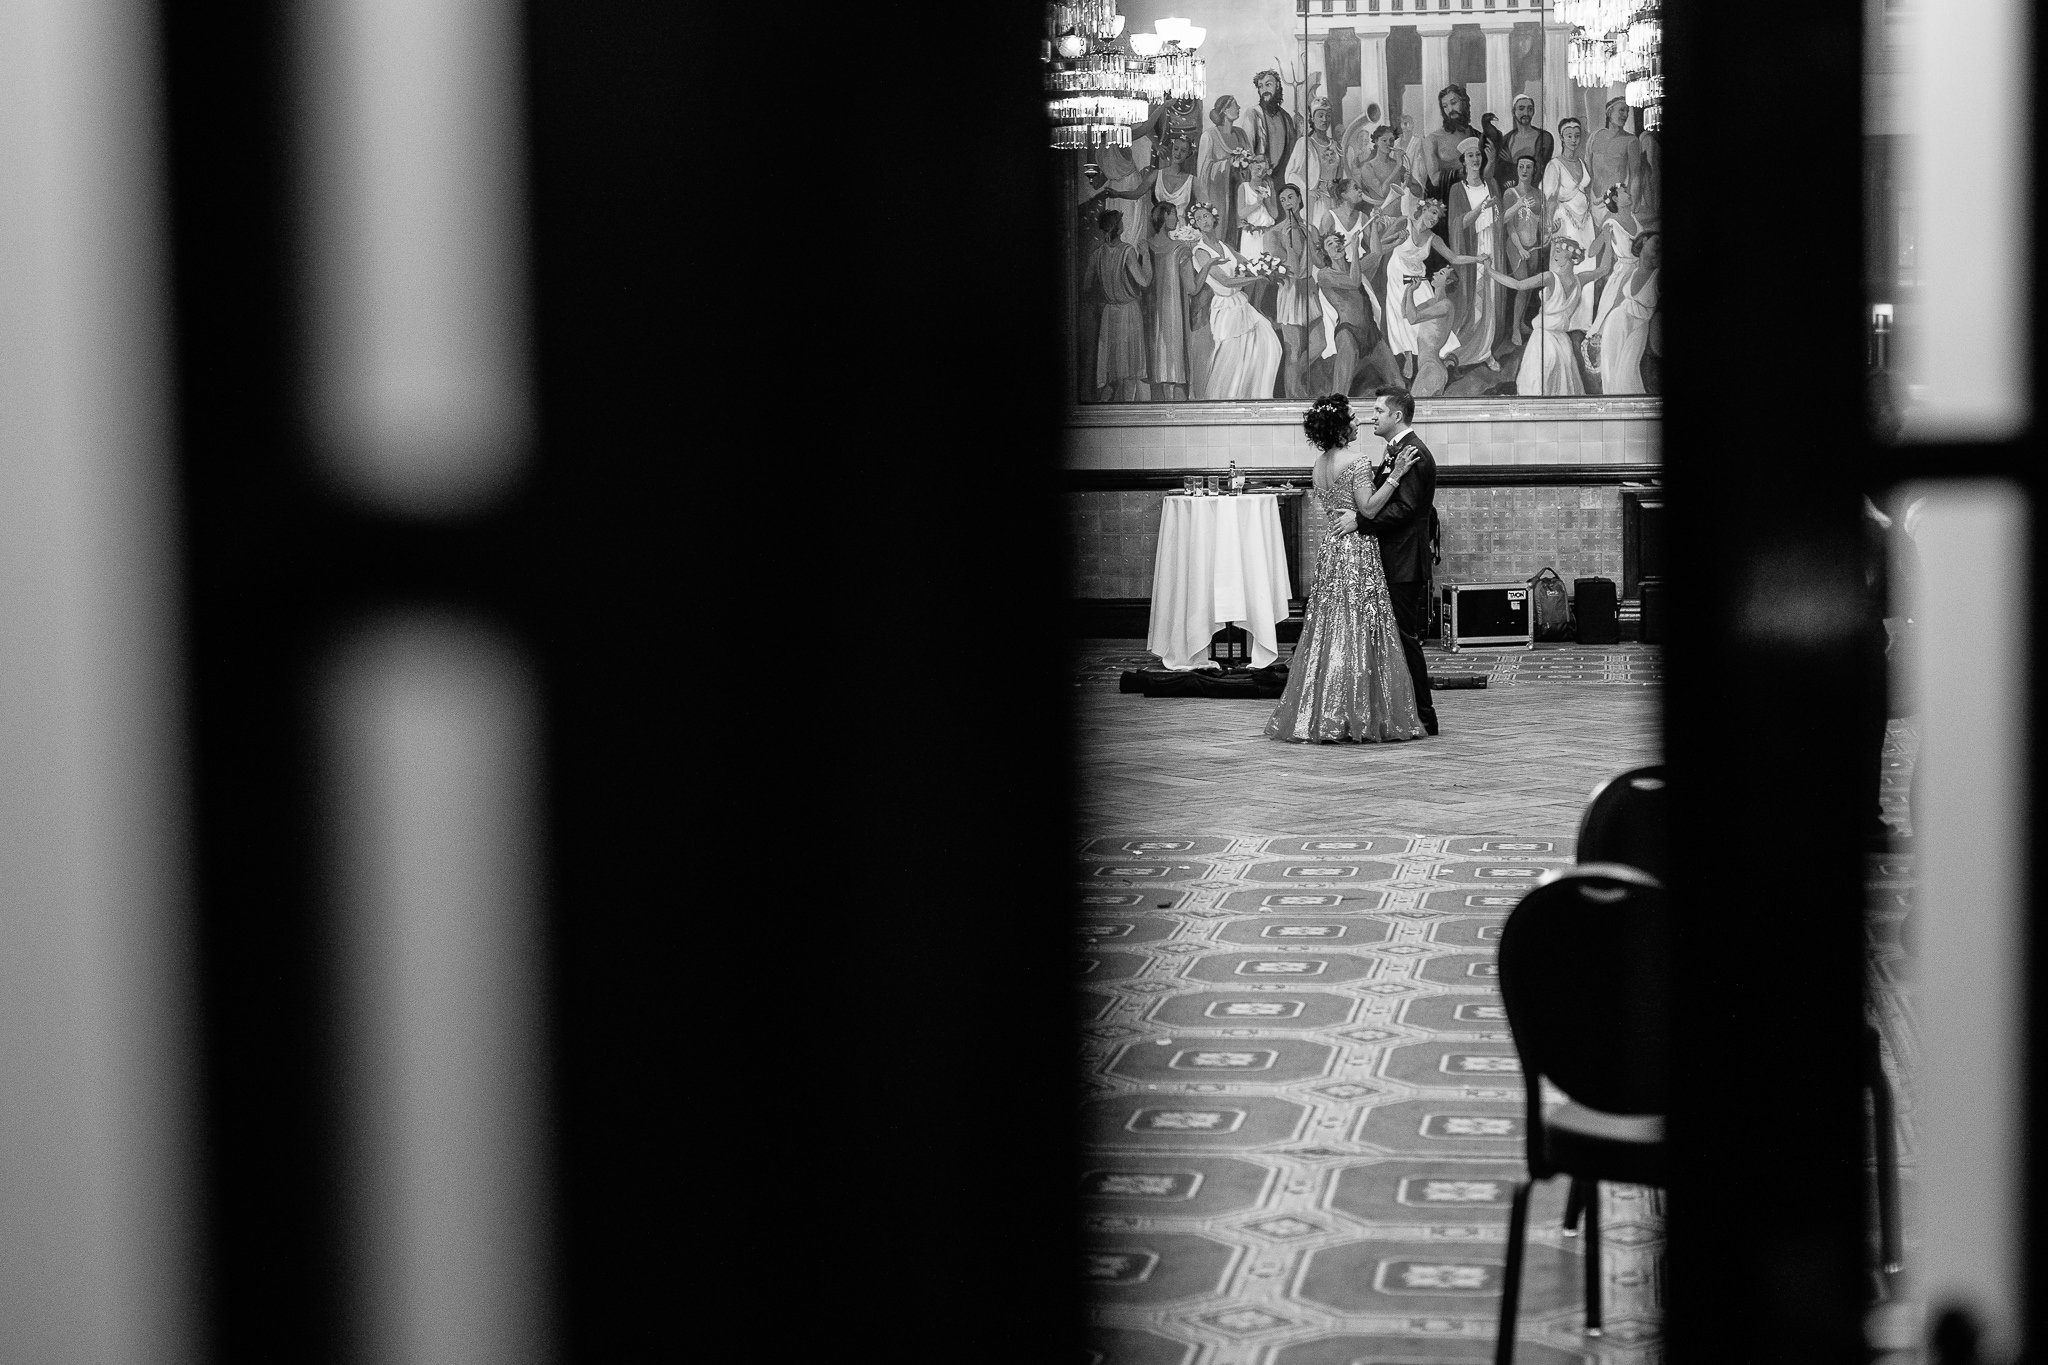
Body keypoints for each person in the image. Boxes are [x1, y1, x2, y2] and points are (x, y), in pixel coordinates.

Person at [1265, 393, 1428, 744]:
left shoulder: (1319, 465)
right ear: (1340, 426)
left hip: (1331, 551)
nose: (1359, 423)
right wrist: (1397, 474)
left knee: (1328, 629)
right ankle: (1356, 711)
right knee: (1359, 629)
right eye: (1353, 418)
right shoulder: (1355, 461)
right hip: (1356, 552)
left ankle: (1323, 710)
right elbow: (1368, 509)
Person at [1328, 387, 1440, 736]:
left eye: (1378, 411)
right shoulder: (1396, 451)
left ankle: (1425, 715)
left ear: (1397, 416)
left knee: (1406, 638)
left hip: (1403, 561)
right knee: (1391, 639)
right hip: (1389, 558)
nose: (1371, 416)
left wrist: (1360, 522)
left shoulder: (1415, 453)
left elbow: (1404, 510)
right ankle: (1397, 711)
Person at [1489, 237, 1615, 395]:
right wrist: (1608, 239)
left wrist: (1489, 270)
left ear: (1567, 255)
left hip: (1543, 340)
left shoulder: (1550, 277)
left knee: (1536, 387)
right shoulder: (1580, 280)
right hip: (1563, 342)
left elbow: (1518, 285)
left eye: (1557, 251)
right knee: (1562, 388)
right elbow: (1604, 268)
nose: (1554, 255)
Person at [1189, 201, 1281, 399]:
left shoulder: (1223, 245)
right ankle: (1221, 399)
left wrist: (1269, 266)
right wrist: (1257, 277)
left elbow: (1247, 263)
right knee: (1229, 358)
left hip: (1241, 303)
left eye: (1206, 216)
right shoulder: (1201, 251)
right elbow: (1226, 281)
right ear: (1195, 225)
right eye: (1198, 219)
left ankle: (1255, 395)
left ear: (1214, 218)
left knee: (1268, 341)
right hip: (1224, 307)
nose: (1203, 221)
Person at [1083, 208, 1153, 401]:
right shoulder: (1127, 251)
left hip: (1109, 312)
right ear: (1118, 227)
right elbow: (1145, 281)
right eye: (1121, 222)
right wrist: (1146, 255)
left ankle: (1108, 407)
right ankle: (1125, 409)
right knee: (1130, 370)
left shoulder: (1097, 254)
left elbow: (1087, 286)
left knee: (1113, 372)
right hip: (1128, 311)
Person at [1446, 137, 1503, 371]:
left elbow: (1500, 219)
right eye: (1470, 156)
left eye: (1478, 154)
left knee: (1491, 297)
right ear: (1463, 161)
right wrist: (1481, 208)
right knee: (1474, 298)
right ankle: (1463, 351)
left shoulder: (1492, 185)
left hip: (1492, 245)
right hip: (1472, 250)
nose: (1475, 159)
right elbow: (1458, 225)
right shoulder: (1458, 190)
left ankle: (1486, 350)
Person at [1273, 182, 1322, 399]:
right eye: (1282, 200)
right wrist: (1288, 241)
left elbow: (1320, 262)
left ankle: (1296, 381)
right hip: (1290, 291)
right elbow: (1290, 268)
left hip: (1309, 287)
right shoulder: (1274, 233)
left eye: (1290, 198)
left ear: (1300, 200)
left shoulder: (1311, 229)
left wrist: (1309, 238)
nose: (1287, 203)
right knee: (1292, 352)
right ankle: (1292, 395)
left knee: (1319, 344)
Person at [1144, 200, 1196, 401]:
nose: (1176, 218)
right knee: (1176, 362)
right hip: (1173, 311)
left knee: (1160, 359)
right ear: (1165, 218)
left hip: (1152, 313)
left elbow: (1144, 280)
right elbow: (1192, 288)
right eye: (1173, 214)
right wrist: (1208, 265)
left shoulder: (1146, 246)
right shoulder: (1180, 248)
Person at [1596, 231, 1659, 394]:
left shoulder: (1658, 275)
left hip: (1638, 326)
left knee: (1627, 371)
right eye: (1657, 241)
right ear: (1644, 240)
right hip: (1616, 322)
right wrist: (1599, 330)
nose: (1659, 247)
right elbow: (1615, 301)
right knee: (1610, 367)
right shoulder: (1631, 271)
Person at [1409, 84, 1489, 206]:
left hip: (1474, 200)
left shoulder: (1478, 137)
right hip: (1445, 203)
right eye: (1445, 106)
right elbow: (1435, 179)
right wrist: (1464, 171)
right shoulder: (1433, 139)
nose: (1450, 110)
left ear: (1464, 103)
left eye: (1454, 103)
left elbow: (1487, 174)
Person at [1399, 265, 1460, 397]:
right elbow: (1405, 313)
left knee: (1416, 409)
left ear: (1448, 282)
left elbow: (1413, 318)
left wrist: (1411, 292)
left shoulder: (1446, 305)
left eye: (1441, 273)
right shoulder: (1432, 302)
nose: (1435, 272)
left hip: (1432, 369)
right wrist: (1409, 290)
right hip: (1428, 367)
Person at [1198, 95, 1250, 241]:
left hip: (1239, 192)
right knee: (1221, 232)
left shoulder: (1241, 134)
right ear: (1225, 110)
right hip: (1219, 194)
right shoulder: (1209, 136)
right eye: (1235, 105)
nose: (1239, 108)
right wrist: (1228, 164)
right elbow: (1204, 170)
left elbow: (1250, 160)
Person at [1247, 69, 1297, 202]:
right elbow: (1248, 152)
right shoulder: (1253, 114)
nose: (1264, 90)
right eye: (1260, 86)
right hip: (1261, 182)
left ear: (1278, 86)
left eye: (1268, 84)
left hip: (1283, 180)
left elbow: (1293, 151)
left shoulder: (1286, 117)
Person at [1586, 96, 1643, 206]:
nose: (1625, 115)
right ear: (1609, 112)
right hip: (1593, 201)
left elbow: (1635, 175)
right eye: (1622, 110)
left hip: (1617, 202)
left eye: (1627, 111)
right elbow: (1587, 169)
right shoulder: (1595, 136)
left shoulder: (1631, 141)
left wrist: (1633, 202)